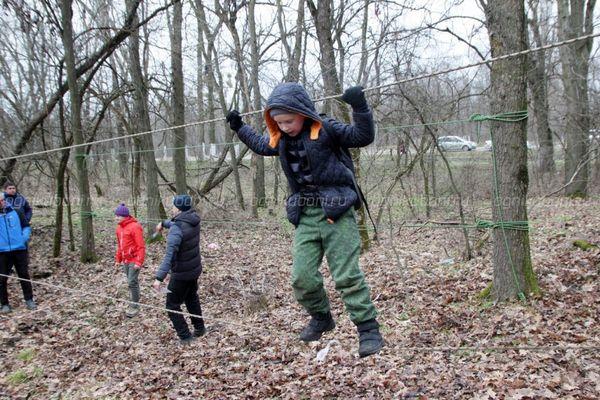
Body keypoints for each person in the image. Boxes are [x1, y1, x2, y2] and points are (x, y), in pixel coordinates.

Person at [226, 83, 383, 357]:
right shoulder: (282, 139)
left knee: (346, 275)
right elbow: (261, 145)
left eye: (289, 120)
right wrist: (239, 127)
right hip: (306, 214)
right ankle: (322, 317)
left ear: (303, 112)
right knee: (302, 277)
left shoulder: (327, 129)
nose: (285, 126)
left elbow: (362, 136)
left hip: (337, 210)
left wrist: (359, 106)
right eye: (279, 122)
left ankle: (368, 329)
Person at [152, 195, 205, 344]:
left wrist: (159, 278)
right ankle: (200, 329)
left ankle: (185, 337)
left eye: (174, 206)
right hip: (194, 269)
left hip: (182, 274)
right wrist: (163, 223)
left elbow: (169, 256)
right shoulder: (193, 219)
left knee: (172, 305)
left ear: (179, 208)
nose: (172, 208)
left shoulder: (177, 230)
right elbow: (178, 222)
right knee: (191, 297)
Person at [0, 192, 35, 313]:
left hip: (19, 249)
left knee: (24, 274)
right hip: (2, 252)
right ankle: (4, 304)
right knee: (2, 278)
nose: (2, 203)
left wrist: (23, 238)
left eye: (2, 200)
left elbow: (26, 226)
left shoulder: (16, 212)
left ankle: (29, 299)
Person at [114, 203, 146, 318]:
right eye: (115, 216)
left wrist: (139, 261)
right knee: (130, 281)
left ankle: (135, 305)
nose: (116, 218)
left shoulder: (135, 227)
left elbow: (141, 246)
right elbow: (120, 245)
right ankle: (134, 298)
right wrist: (118, 259)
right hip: (125, 260)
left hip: (134, 258)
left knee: (132, 281)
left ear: (125, 216)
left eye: (118, 216)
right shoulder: (119, 228)